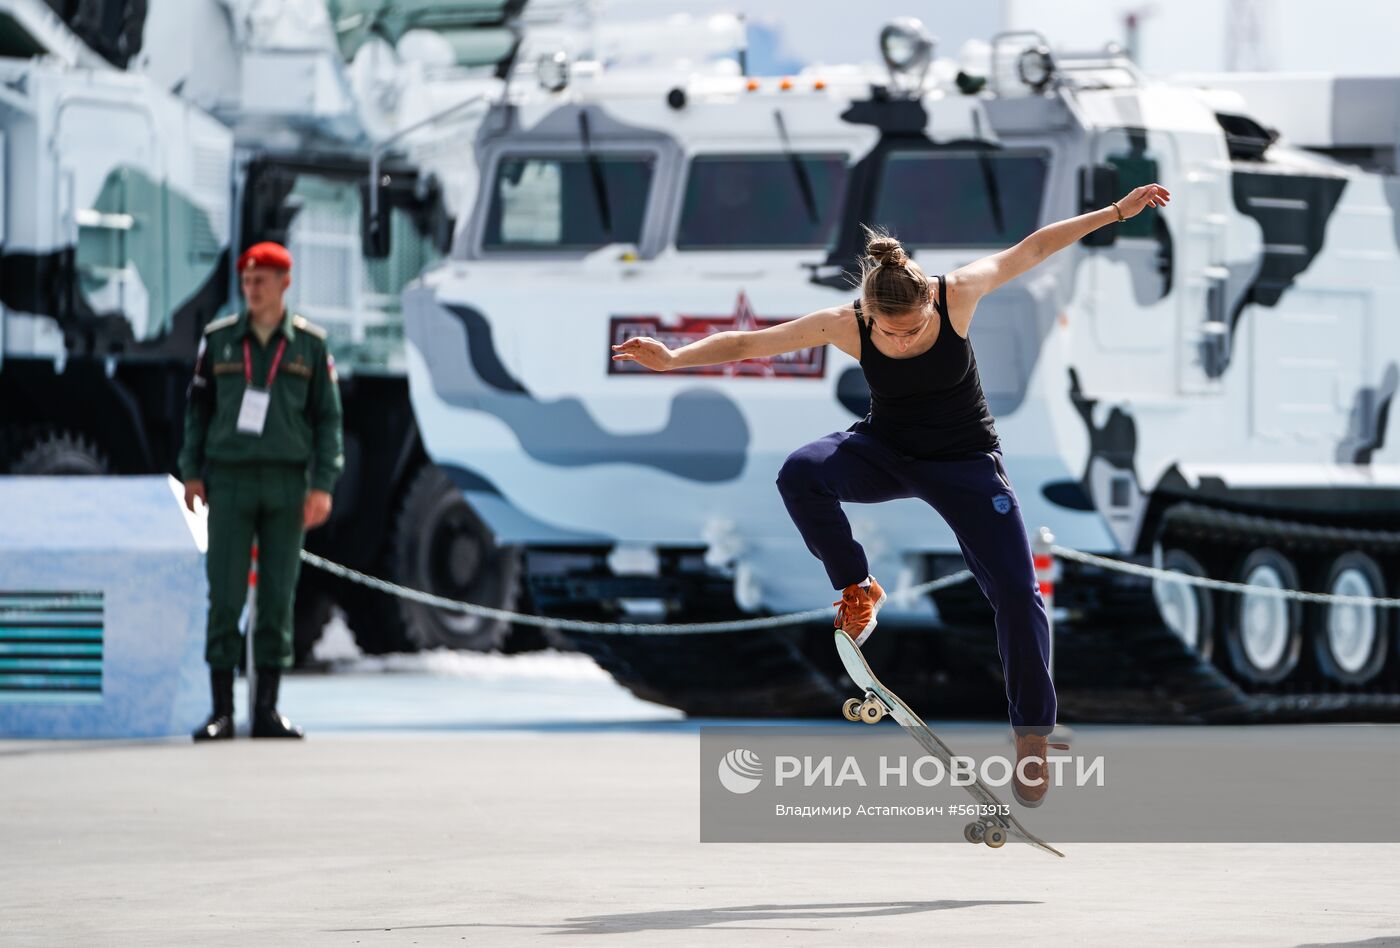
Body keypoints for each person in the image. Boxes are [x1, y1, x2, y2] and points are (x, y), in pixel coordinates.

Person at [611, 184, 1171, 805]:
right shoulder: (845, 324)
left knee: (1016, 594)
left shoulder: (959, 292)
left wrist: (1117, 212)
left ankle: (1032, 734)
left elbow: (1035, 247)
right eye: (891, 334)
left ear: (929, 301)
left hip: (965, 466)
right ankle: (857, 587)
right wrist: (672, 358)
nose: (901, 341)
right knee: (801, 473)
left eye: (912, 331)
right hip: (885, 453)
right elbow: (748, 343)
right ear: (869, 313)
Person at [179, 241, 345, 742]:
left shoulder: (310, 347)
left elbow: (328, 421)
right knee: (226, 594)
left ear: (284, 284)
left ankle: (268, 709)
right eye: (247, 281)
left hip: (286, 484)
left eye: (262, 281)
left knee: (277, 596)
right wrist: (191, 472)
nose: (252, 289)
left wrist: (323, 485)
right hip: (228, 481)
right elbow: (197, 413)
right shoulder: (220, 341)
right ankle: (221, 711)